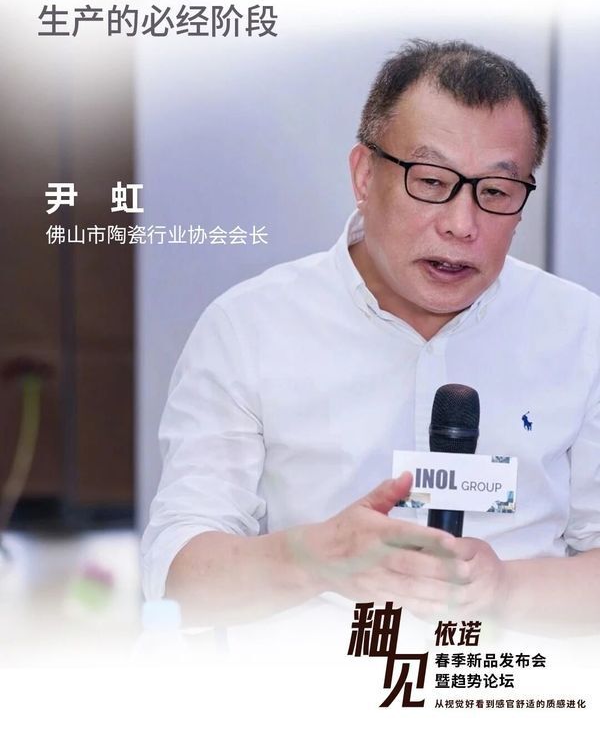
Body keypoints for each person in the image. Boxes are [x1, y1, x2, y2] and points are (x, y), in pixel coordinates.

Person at [141, 40, 600, 633]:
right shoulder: (250, 328)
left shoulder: (580, 332)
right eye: (430, 181)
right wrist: (321, 558)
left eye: (495, 192)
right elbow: (178, 580)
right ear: (363, 175)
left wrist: (505, 590)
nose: (462, 225)